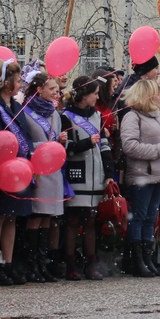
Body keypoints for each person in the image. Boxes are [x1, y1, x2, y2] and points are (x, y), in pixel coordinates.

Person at [0, 58, 33, 285]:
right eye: (18, 80)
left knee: (12, 217)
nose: (21, 83)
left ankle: (9, 263)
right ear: (6, 83)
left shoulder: (15, 106)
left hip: (19, 169)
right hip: (2, 168)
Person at [119, 77, 160, 278]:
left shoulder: (157, 116)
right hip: (143, 174)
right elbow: (130, 146)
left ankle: (147, 257)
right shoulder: (133, 117)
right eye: (157, 93)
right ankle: (136, 259)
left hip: (159, 173)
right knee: (140, 217)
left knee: (151, 217)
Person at [63, 76, 113, 280]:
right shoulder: (66, 117)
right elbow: (66, 149)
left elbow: (105, 146)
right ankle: (70, 263)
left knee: (91, 220)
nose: (97, 97)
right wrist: (86, 144)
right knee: (73, 220)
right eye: (94, 93)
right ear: (84, 95)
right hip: (77, 174)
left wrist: (109, 174)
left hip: (96, 174)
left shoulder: (97, 116)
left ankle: (92, 263)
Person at [23, 72, 68, 283]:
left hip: (53, 168)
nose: (55, 93)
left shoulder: (55, 113)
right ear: (39, 89)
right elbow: (25, 141)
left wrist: (61, 142)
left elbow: (56, 140)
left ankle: (43, 263)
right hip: (37, 166)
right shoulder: (26, 111)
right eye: (52, 89)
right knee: (36, 214)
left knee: (49, 216)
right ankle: (31, 264)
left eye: (57, 90)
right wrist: (43, 149)